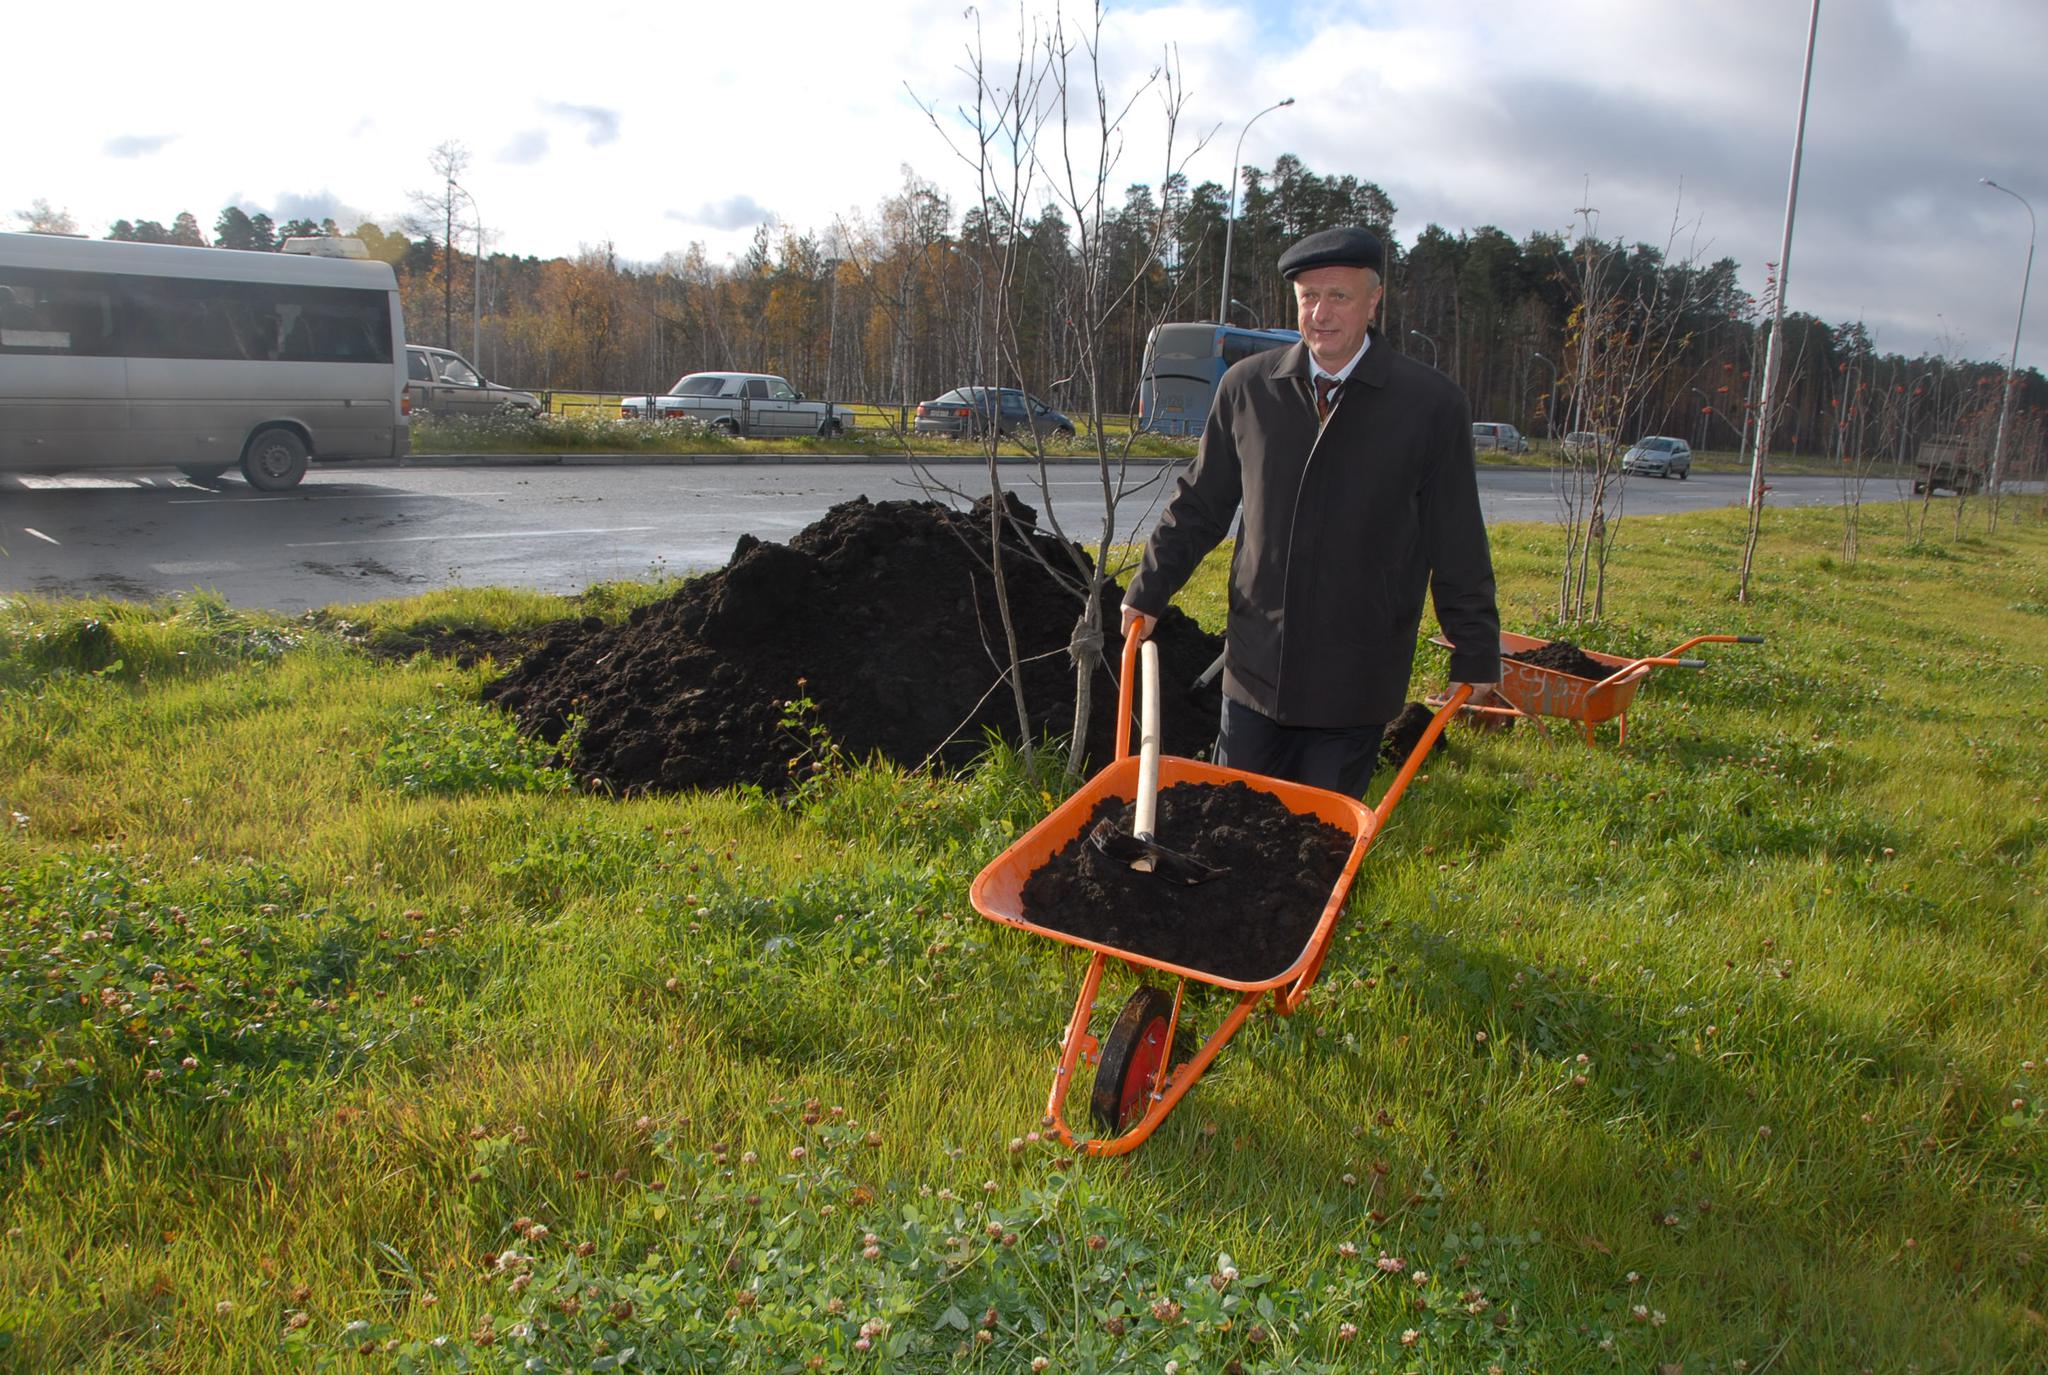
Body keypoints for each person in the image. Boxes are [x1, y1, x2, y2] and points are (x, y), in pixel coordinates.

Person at [1120, 226, 1500, 797]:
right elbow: (1200, 503)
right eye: (1308, 297)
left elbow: (1456, 537)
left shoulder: (1428, 406)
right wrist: (1147, 591)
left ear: (1374, 301)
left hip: (1356, 677)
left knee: (1319, 842)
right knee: (1231, 823)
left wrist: (1474, 649)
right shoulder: (1249, 390)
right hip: (1254, 669)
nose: (1320, 313)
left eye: (1339, 296)